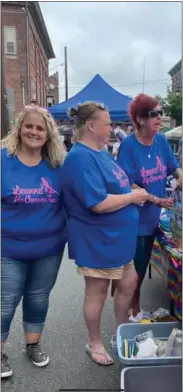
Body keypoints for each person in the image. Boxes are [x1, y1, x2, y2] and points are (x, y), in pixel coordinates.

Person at [61, 101, 148, 365]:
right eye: (108, 123)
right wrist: (133, 196)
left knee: (128, 283)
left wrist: (132, 191)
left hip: (118, 240)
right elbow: (97, 203)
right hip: (98, 240)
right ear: (91, 125)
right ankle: (94, 342)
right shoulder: (79, 157)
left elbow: (116, 185)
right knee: (97, 291)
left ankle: (121, 332)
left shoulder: (100, 152)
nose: (112, 127)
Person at [1, 106, 67, 378]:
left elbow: (81, 194)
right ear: (19, 128)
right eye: (29, 126)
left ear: (48, 134)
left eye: (40, 128)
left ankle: (33, 344)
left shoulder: (57, 164)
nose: (34, 132)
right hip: (8, 248)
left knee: (38, 298)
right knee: (6, 300)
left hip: (49, 249)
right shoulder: (4, 160)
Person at [117, 94, 182, 322]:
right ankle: (132, 304)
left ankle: (130, 299)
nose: (159, 118)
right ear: (140, 119)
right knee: (137, 268)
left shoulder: (162, 141)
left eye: (160, 113)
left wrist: (179, 175)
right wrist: (157, 200)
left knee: (142, 267)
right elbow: (128, 184)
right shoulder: (128, 146)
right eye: (154, 114)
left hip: (156, 217)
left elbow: (173, 167)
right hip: (135, 219)